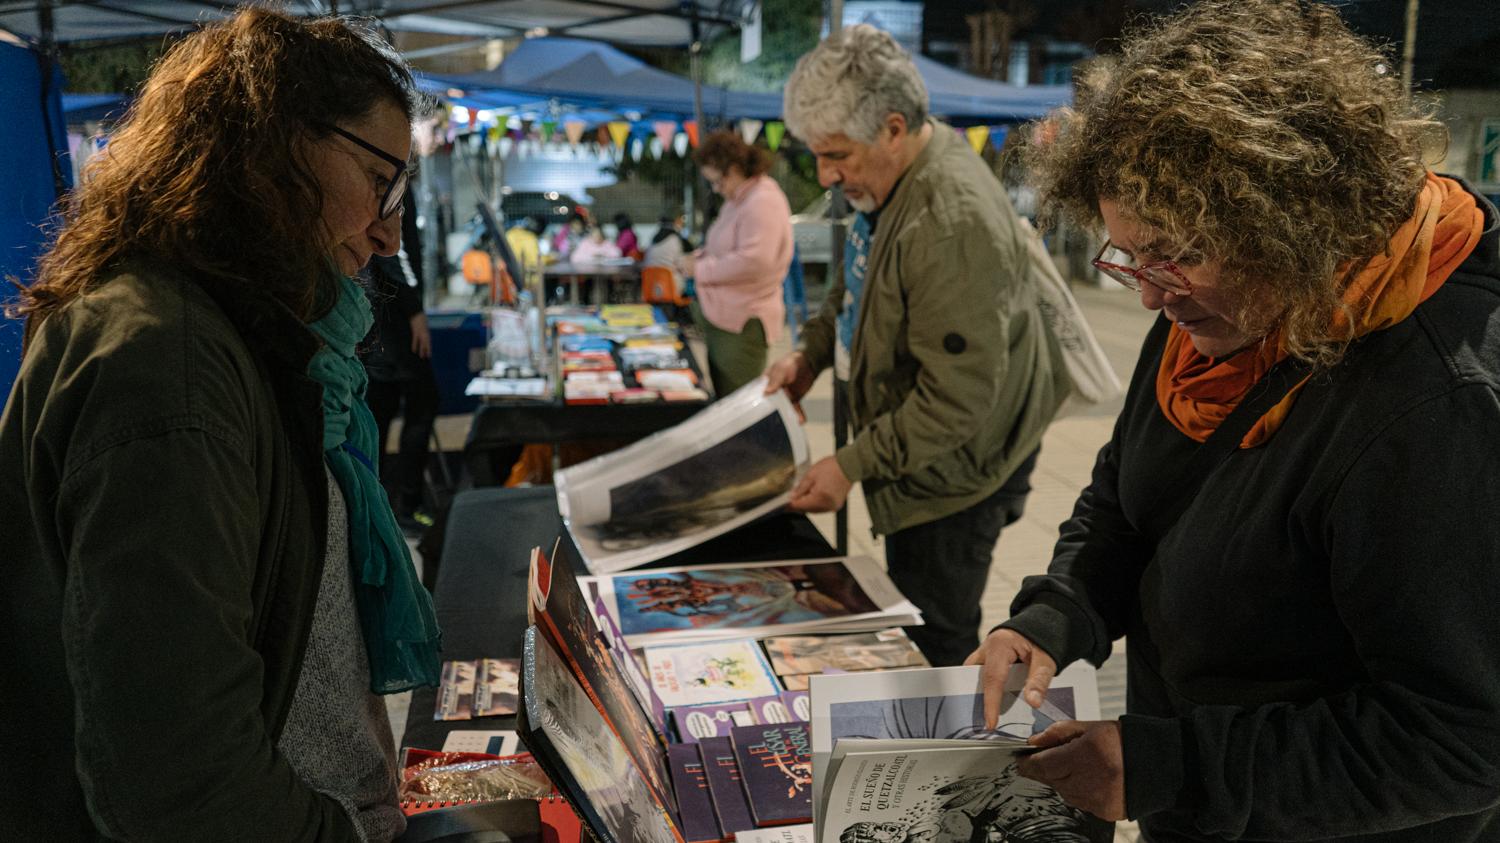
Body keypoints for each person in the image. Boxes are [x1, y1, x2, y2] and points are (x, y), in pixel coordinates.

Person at [966, 1, 1500, 838]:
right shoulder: (1219, 311)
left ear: (1298, 220)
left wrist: (1168, 765)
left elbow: (1461, 738)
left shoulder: (1435, 404)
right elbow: (1124, 495)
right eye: (1128, 255)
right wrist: (1055, 613)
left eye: (1174, 256)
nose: (1147, 290)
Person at [0, 9, 442, 839]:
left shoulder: (246, 334)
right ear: (277, 145)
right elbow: (176, 778)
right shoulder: (168, 366)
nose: (389, 232)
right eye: (383, 180)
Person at [766, 25, 1069, 667]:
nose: (826, 174)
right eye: (817, 155)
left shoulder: (949, 222)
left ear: (894, 129)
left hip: (958, 472)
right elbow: (855, 287)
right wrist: (810, 356)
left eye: (837, 155)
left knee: (935, 629)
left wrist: (850, 466)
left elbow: (957, 402)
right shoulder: (886, 183)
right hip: (927, 450)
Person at [685, 130, 794, 395]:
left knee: (736, 405)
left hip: (743, 320)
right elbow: (722, 247)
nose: (716, 189)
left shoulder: (762, 200)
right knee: (724, 400)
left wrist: (700, 269)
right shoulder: (739, 199)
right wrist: (698, 258)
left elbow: (755, 261)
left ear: (733, 170)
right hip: (725, 319)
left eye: (718, 181)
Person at [361, 198, 441, 531]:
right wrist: (415, 312)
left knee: (378, 415)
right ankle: (407, 506)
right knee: (421, 404)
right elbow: (396, 253)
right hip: (393, 325)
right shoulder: (391, 178)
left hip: (376, 321)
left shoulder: (378, 175)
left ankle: (375, 509)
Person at [644, 214, 693, 282]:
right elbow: (680, 263)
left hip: (651, 284)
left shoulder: (652, 241)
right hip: (668, 284)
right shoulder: (674, 239)